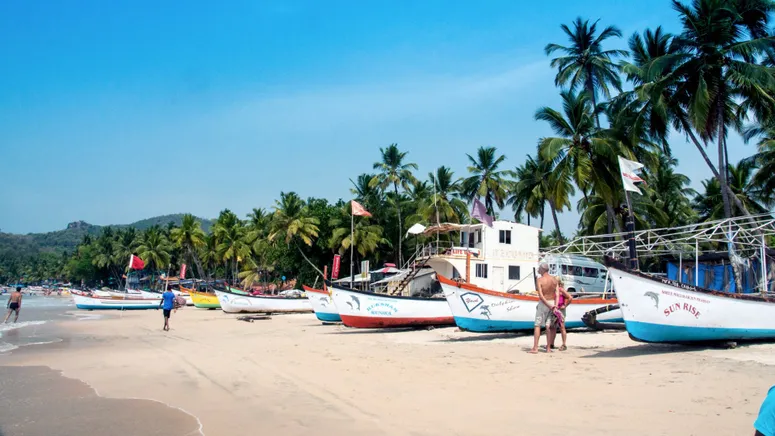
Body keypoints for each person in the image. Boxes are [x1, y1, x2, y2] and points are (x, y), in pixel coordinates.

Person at [530, 263, 559, 354]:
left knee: (537, 324)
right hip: (552, 302)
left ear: (543, 269)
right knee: (549, 326)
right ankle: (548, 348)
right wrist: (555, 306)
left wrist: (548, 305)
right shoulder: (554, 280)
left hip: (544, 303)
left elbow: (541, 296)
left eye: (539, 268)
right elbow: (557, 294)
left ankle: (535, 347)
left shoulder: (539, 280)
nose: (538, 270)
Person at [552, 279, 574, 351]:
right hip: (555, 309)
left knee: (562, 327)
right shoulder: (554, 290)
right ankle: (552, 343)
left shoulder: (561, 290)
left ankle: (564, 344)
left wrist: (565, 305)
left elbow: (570, 297)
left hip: (560, 310)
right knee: (553, 327)